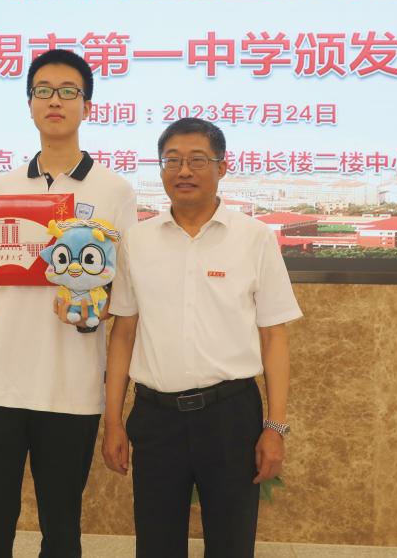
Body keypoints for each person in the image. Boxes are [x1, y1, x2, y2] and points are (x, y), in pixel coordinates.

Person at [0, 49, 137, 558]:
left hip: (71, 387)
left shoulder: (114, 190)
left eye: (68, 91)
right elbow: (1, 284)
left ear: (87, 106)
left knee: (62, 530)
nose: (55, 100)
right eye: (43, 90)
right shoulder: (3, 187)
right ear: (29, 104)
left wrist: (89, 301)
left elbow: (124, 294)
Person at [102, 117, 302, 558]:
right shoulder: (137, 241)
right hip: (156, 418)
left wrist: (275, 427)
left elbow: (274, 336)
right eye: (171, 160)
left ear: (222, 167)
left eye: (197, 160)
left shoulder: (253, 239)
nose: (183, 171)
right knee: (156, 545)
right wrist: (113, 420)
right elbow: (124, 333)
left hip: (231, 417)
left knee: (232, 544)